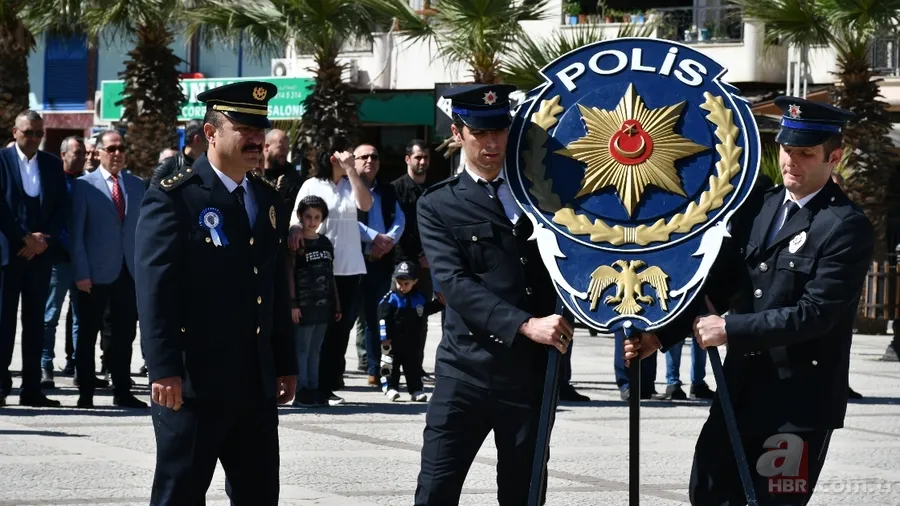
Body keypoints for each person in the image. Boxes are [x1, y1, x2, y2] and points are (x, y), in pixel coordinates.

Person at [624, 97, 874, 506]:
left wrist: (729, 329)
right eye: (787, 150)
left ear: (834, 158)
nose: (791, 162)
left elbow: (816, 314)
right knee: (707, 493)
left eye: (806, 154)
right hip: (739, 390)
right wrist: (662, 335)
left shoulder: (845, 225)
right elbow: (722, 283)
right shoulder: (761, 206)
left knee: (774, 501)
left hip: (796, 404)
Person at [135, 80, 297, 505]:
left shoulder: (267, 199)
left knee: (259, 495)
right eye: (244, 129)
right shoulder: (175, 198)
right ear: (211, 132)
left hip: (255, 384)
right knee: (180, 495)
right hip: (193, 385)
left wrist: (284, 361)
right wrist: (163, 368)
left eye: (260, 129)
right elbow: (155, 291)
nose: (256, 140)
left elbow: (272, 285)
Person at [414, 84, 573, 506]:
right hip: (465, 371)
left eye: (499, 131)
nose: (491, 143)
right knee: (435, 490)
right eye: (480, 132)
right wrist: (525, 324)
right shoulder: (438, 204)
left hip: (530, 375)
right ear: (458, 133)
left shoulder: (541, 195)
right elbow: (454, 284)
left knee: (524, 494)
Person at [288, 136, 373, 406]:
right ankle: (308, 386)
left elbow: (366, 205)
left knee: (340, 331)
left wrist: (351, 171)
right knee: (315, 335)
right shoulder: (312, 185)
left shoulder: (351, 184)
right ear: (334, 155)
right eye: (348, 152)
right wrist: (294, 232)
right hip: (318, 268)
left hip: (349, 267)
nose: (352, 157)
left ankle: (327, 385)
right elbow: (296, 218)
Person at [70, 130, 147, 409]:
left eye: (121, 149)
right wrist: (81, 272)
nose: (117, 154)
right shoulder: (84, 186)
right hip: (93, 275)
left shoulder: (137, 185)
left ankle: (122, 390)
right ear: (99, 152)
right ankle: (86, 391)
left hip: (127, 273)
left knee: (124, 334)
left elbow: (143, 231)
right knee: (88, 333)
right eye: (111, 149)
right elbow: (76, 233)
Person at [0, 110, 67, 408]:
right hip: (8, 254)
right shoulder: (2, 161)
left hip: (39, 256)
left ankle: (31, 388)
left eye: (39, 133)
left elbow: (61, 207)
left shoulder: (51, 164)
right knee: (3, 322)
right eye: (29, 132)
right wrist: (23, 237)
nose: (35, 138)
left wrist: (43, 241)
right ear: (15, 132)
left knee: (35, 323)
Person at [287, 195, 342, 407]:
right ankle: (301, 390)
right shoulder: (296, 242)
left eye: (317, 217)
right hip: (304, 305)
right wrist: (293, 303)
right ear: (300, 216)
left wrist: (336, 304)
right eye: (308, 216)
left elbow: (330, 275)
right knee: (302, 348)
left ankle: (314, 387)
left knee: (316, 349)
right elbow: (290, 272)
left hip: (324, 305)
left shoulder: (325, 243)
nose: (312, 221)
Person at [42, 136, 86, 385]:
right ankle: (45, 365)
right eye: (76, 153)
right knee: (50, 316)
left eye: (83, 153)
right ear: (63, 155)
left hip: (82, 261)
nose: (81, 157)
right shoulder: (54, 181)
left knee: (81, 318)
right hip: (58, 259)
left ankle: (79, 367)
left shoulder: (87, 183)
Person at [392, 139, 436, 383]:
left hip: (427, 266)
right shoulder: (396, 188)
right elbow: (398, 228)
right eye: (418, 157)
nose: (422, 161)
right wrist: (418, 253)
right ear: (407, 159)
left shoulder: (433, 189)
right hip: (402, 261)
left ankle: (415, 367)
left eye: (426, 157)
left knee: (420, 316)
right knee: (396, 317)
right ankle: (390, 369)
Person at [377, 260, 443, 401]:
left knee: (413, 366)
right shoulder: (390, 299)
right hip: (393, 341)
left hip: (412, 340)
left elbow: (425, 310)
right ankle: (390, 388)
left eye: (406, 283)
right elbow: (383, 320)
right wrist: (385, 338)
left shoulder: (419, 298)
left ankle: (416, 390)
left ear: (415, 282)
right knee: (390, 364)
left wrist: (439, 304)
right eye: (399, 283)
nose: (402, 287)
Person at [149, 119, 207, 187]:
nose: (212, 142)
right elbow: (153, 192)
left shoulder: (208, 165)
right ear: (197, 139)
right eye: (208, 138)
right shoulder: (168, 166)